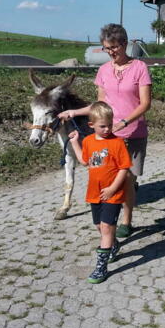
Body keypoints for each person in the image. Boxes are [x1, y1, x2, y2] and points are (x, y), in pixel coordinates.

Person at [59, 23, 152, 238]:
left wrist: (125, 122)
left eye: (114, 48)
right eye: (106, 49)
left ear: (124, 44)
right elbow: (100, 105)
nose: (111, 53)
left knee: (127, 177)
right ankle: (108, 220)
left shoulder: (140, 68)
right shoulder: (103, 70)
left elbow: (145, 103)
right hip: (109, 134)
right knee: (109, 177)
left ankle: (126, 221)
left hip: (133, 132)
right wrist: (74, 112)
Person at [68, 101, 132, 284]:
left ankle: (101, 267)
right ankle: (113, 244)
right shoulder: (88, 141)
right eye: (102, 126)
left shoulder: (118, 143)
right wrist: (75, 143)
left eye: (110, 125)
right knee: (99, 226)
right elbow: (84, 161)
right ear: (91, 125)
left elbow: (124, 169)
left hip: (113, 194)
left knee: (106, 228)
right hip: (94, 193)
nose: (107, 129)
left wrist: (113, 188)